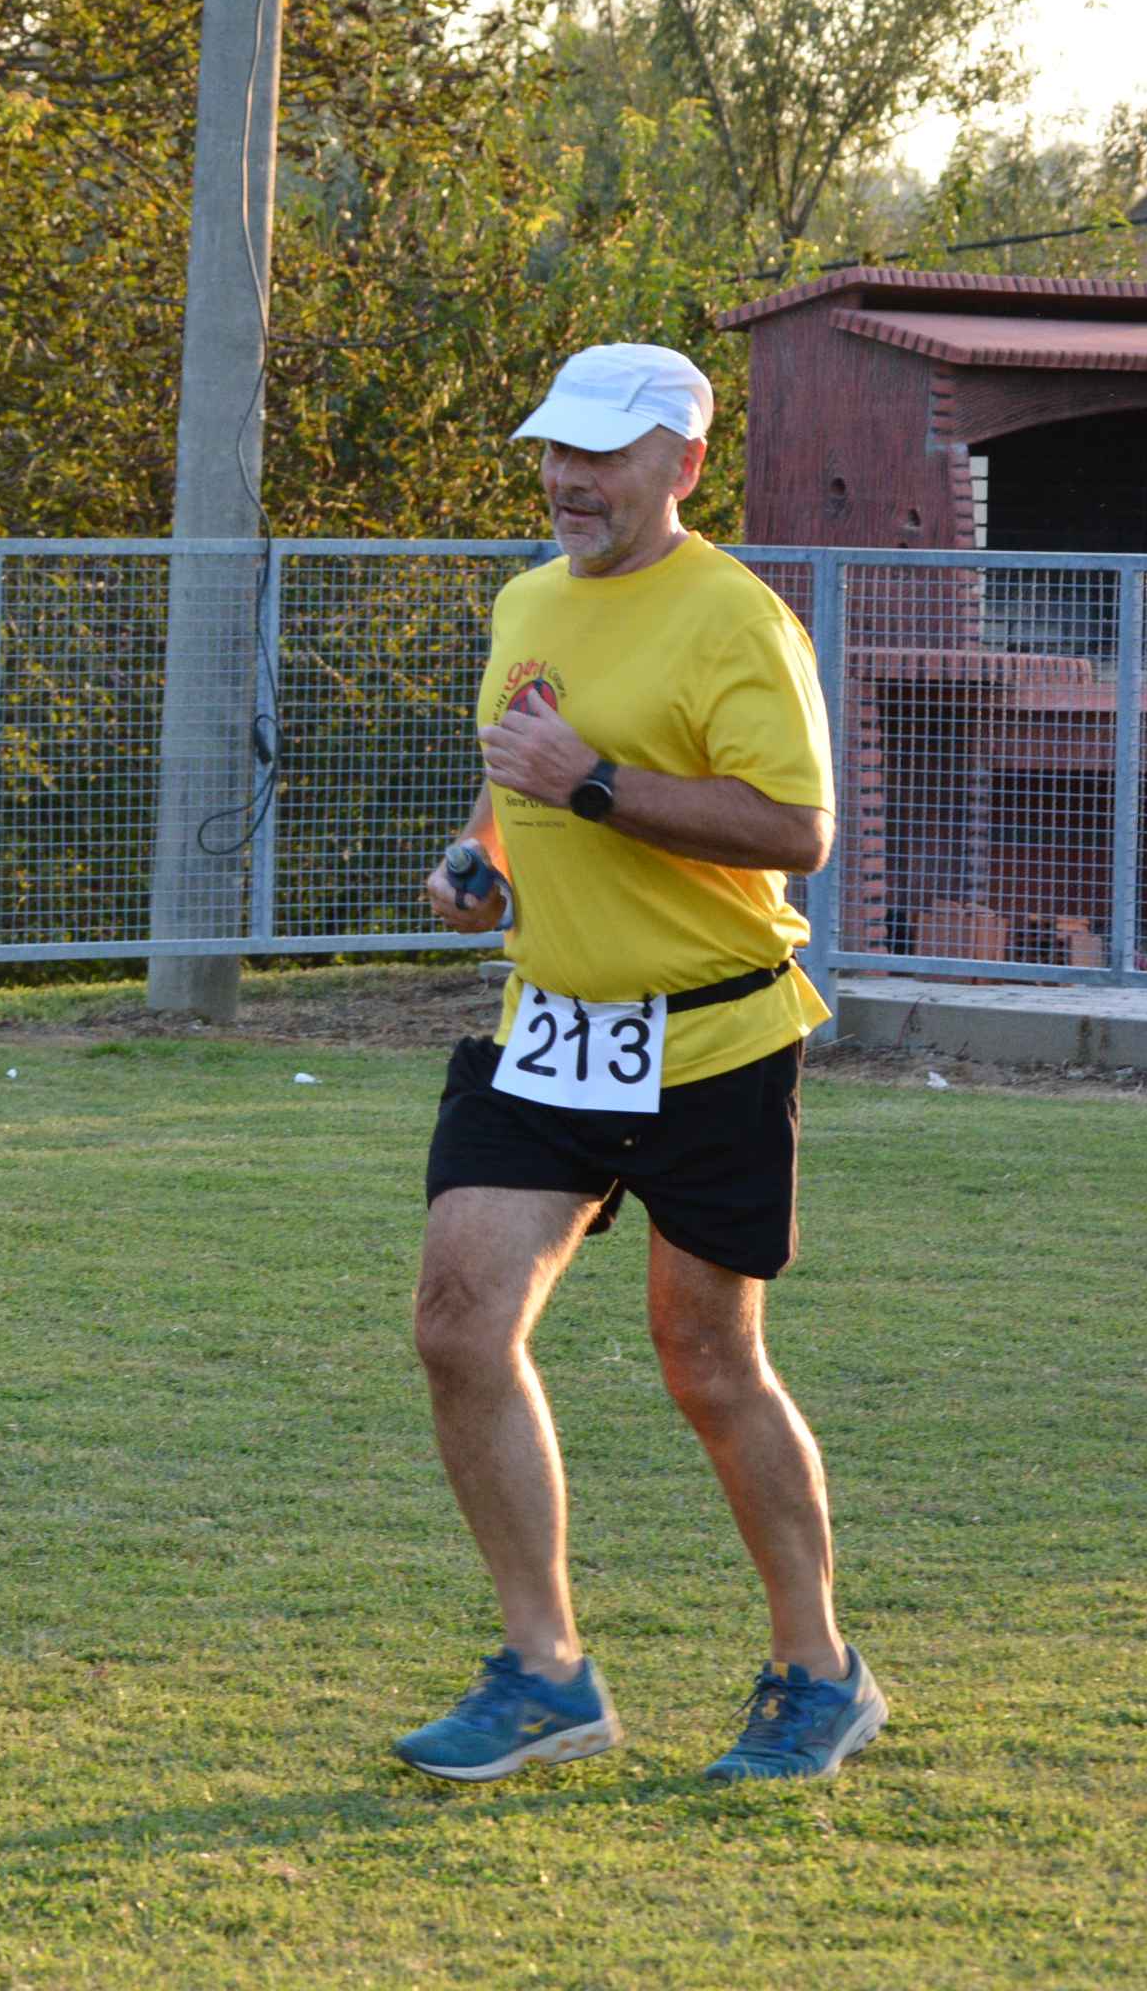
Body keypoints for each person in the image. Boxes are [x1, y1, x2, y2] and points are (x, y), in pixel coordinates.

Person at [397, 342, 887, 1782]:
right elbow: (516, 770)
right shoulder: (529, 598)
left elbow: (795, 831)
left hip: (714, 1039)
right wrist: (476, 859)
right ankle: (546, 1673)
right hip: (549, 1029)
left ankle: (819, 1669)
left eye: (603, 456)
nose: (568, 479)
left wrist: (595, 792)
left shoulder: (737, 620)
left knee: (707, 1362)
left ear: (681, 465)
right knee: (455, 1324)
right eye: (556, 449)